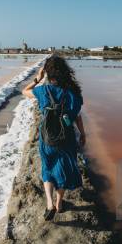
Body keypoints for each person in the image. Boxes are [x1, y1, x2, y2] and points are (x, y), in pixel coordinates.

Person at [22, 56, 86, 221]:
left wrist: (38, 78)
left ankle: (49, 203)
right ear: (65, 72)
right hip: (67, 138)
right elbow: (77, 116)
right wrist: (83, 134)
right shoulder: (73, 94)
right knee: (62, 170)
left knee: (48, 167)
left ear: (47, 73)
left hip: (47, 137)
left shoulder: (43, 91)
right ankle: (59, 204)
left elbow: (24, 91)